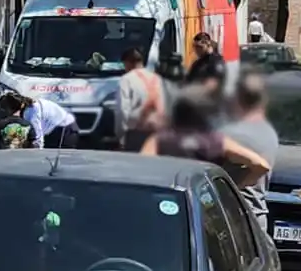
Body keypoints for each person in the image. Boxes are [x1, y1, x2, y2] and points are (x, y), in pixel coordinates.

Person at [140, 85, 270, 186]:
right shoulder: (217, 141)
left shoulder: (160, 139)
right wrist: (235, 186)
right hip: (206, 203)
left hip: (169, 199)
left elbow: (140, 167)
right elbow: (261, 165)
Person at [219, 71, 279, 229]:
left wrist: (234, 189)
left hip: (237, 219)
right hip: (257, 215)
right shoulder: (267, 131)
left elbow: (261, 166)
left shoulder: (233, 135)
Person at [116, 47, 166, 152]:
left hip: (135, 133)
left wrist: (121, 135)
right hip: (157, 132)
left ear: (128, 63)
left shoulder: (126, 80)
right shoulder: (157, 78)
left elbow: (122, 110)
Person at [0, 92, 78, 148]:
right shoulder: (27, 105)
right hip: (59, 128)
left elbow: (38, 140)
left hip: (65, 131)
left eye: (6, 110)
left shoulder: (31, 112)